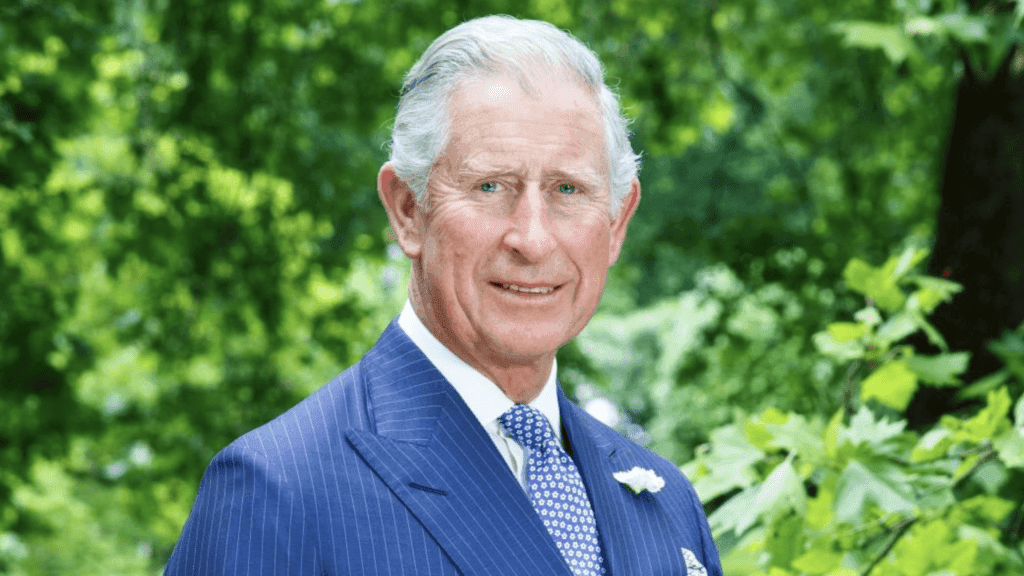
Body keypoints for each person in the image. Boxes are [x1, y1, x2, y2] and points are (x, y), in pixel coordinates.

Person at [165, 15, 721, 576]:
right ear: (408, 211)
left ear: (617, 222)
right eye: (490, 186)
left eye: (568, 189)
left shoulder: (667, 503)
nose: (532, 239)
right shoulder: (276, 489)